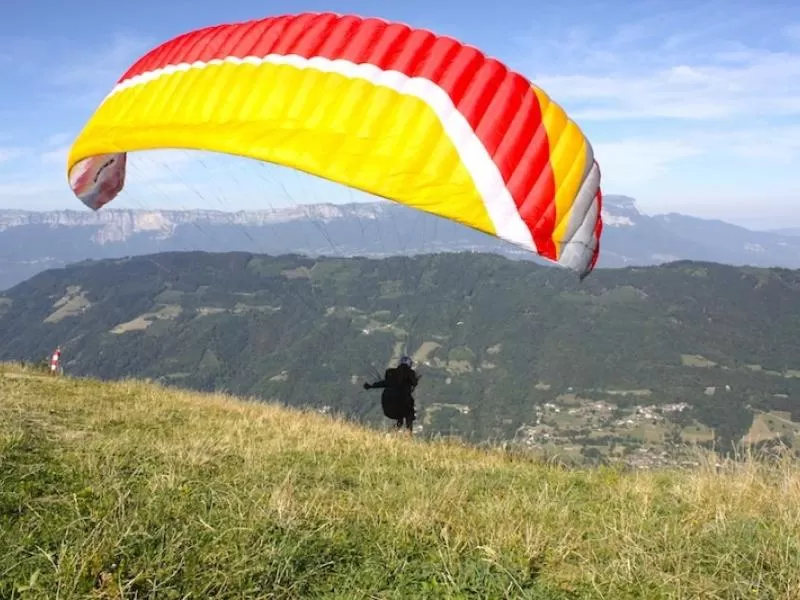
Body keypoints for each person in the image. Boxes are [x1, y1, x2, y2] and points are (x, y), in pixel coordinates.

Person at [364, 355, 419, 434]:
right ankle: (408, 433)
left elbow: (383, 383)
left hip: (388, 407)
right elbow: (413, 383)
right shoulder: (411, 374)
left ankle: (392, 432)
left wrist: (370, 386)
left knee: (401, 415)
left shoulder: (391, 373)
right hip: (402, 404)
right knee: (408, 413)